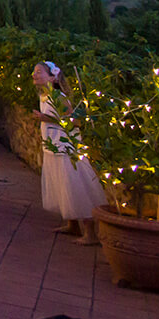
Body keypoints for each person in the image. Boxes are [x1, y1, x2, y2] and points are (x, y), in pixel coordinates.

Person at [33, 61, 105, 244]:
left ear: (52, 77)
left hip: (66, 147)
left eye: (39, 72)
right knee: (62, 185)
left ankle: (91, 233)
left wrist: (45, 118)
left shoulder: (59, 96)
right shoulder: (45, 95)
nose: (34, 75)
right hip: (53, 145)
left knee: (74, 186)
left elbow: (73, 120)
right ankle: (72, 225)